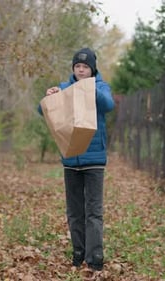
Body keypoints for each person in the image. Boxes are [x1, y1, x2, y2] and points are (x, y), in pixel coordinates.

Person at [38, 47, 115, 272]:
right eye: (77, 67)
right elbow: (42, 110)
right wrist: (51, 95)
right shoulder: (64, 88)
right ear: (73, 68)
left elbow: (108, 105)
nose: (81, 70)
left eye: (85, 67)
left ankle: (95, 257)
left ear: (92, 69)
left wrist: (88, 89)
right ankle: (78, 253)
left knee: (93, 211)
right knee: (74, 211)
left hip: (94, 160)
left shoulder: (100, 87)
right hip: (71, 159)